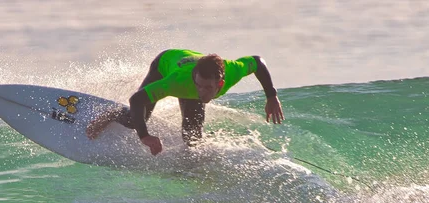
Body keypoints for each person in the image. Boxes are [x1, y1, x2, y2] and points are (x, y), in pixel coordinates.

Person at [86, 49, 284, 155]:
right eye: (199, 85)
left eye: (207, 88)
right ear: (195, 78)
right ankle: (110, 115)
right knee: (136, 119)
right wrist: (144, 136)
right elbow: (136, 100)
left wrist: (271, 96)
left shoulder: (232, 71)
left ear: (220, 84)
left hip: (190, 70)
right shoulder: (178, 82)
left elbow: (257, 62)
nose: (201, 92)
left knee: (193, 138)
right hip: (165, 63)